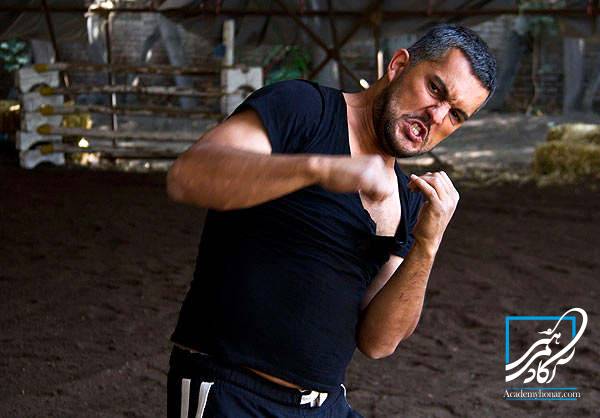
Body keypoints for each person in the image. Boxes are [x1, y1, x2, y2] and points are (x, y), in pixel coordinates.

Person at [165, 24, 496, 417]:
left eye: (455, 114)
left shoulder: (407, 198)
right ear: (398, 66)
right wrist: (320, 169)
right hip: (231, 391)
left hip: (323, 404)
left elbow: (379, 342)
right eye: (435, 89)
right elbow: (188, 176)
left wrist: (427, 244)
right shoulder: (304, 108)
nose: (436, 115)